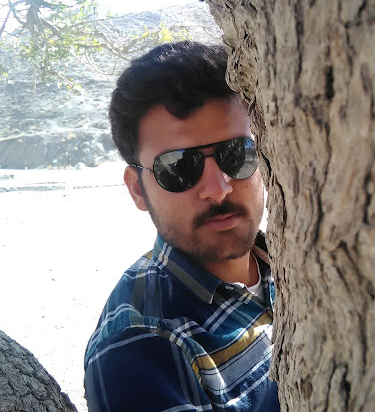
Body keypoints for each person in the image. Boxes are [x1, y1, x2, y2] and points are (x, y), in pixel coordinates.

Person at [84, 41, 279, 411]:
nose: (218, 188)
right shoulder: (139, 346)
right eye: (178, 167)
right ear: (137, 189)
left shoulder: (297, 260)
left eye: (237, 154)